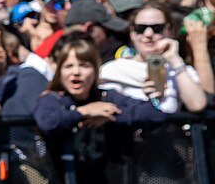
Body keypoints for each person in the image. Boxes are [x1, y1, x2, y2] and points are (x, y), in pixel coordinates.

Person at [34, 35, 165, 145]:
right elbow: (48, 123)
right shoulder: (52, 99)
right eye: (68, 66)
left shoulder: (107, 97)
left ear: (95, 70)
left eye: (84, 66)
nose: (76, 72)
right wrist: (84, 112)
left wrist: (109, 116)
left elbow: (154, 114)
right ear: (60, 72)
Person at [99, 2, 210, 114]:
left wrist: (175, 60)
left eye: (157, 28)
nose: (148, 34)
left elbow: (197, 105)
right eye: (140, 28)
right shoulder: (113, 69)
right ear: (132, 33)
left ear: (170, 31)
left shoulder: (180, 71)